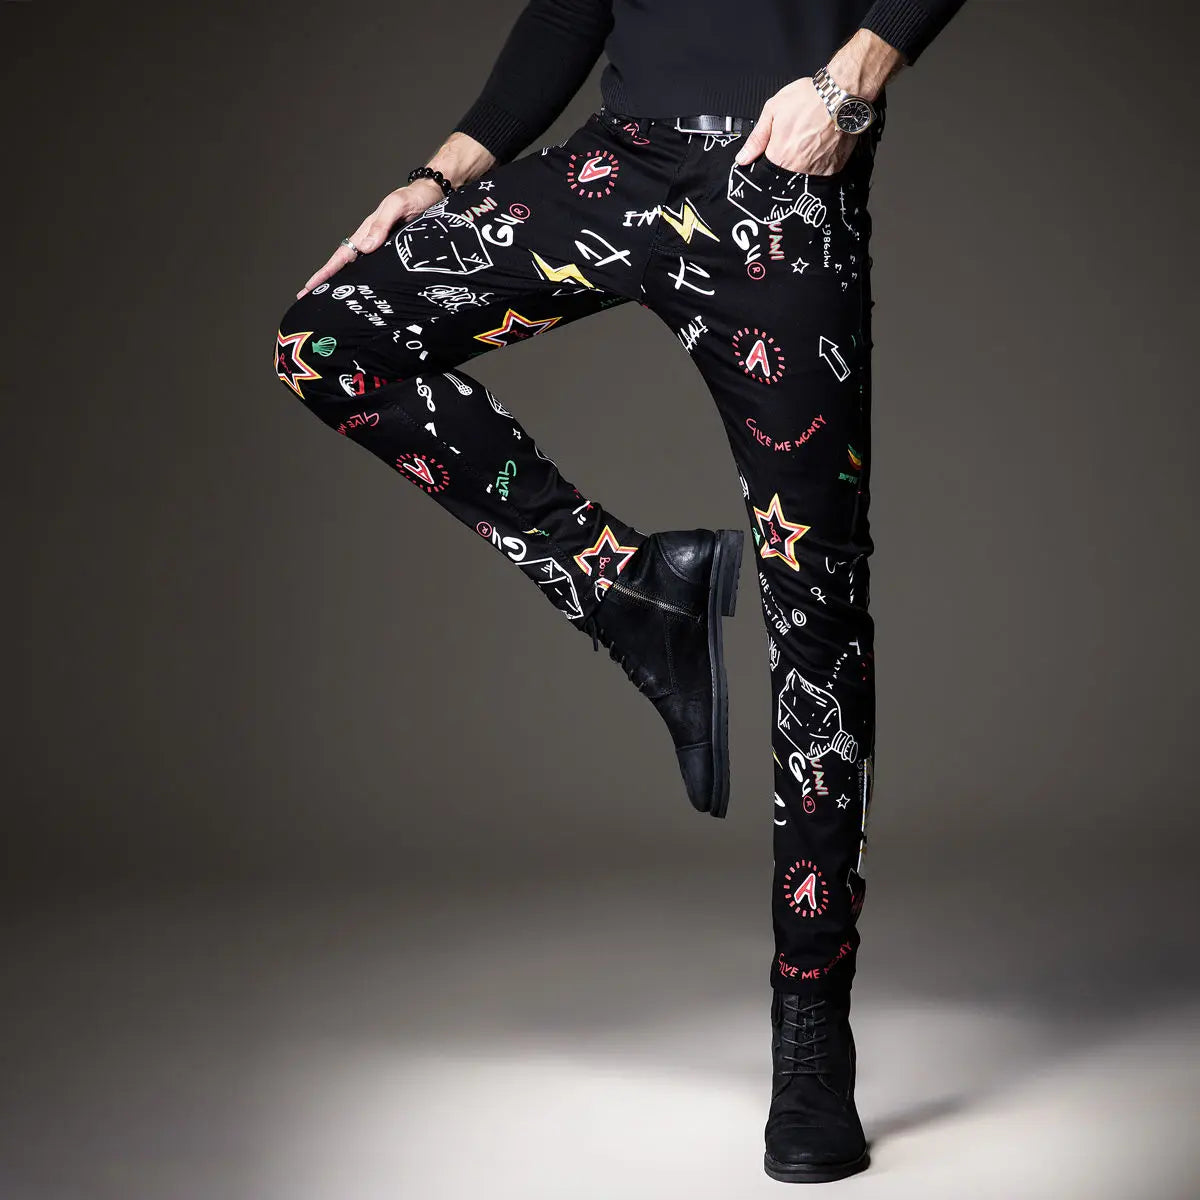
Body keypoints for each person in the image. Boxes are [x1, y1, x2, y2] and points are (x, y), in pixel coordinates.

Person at [273, 0, 967, 1183]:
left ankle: (811, 1036)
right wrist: (438, 177)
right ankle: (630, 584)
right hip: (616, 168)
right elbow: (572, 7)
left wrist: (850, 84)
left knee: (816, 615)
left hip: (777, 180)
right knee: (327, 342)